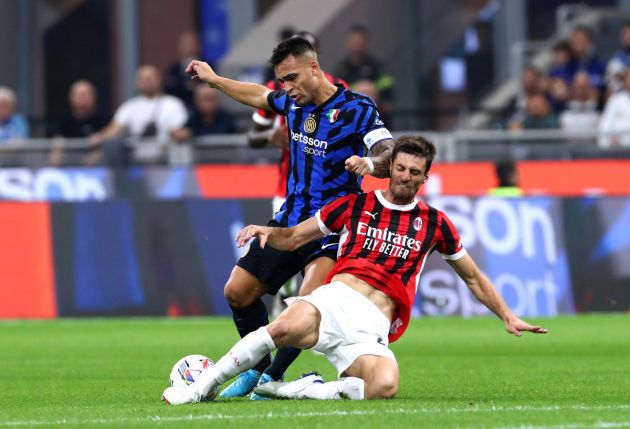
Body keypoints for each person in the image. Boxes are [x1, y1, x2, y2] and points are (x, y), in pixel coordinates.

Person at [162, 136, 547, 404]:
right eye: (401, 168)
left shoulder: (436, 223)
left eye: (415, 172)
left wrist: (508, 316)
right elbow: (297, 236)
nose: (405, 177)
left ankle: (288, 389)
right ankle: (200, 390)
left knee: (384, 386)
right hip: (335, 301)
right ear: (390, 167)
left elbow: (473, 277)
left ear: (425, 178)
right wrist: (269, 232)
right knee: (280, 328)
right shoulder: (355, 204)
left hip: (372, 327)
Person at [185, 36, 395, 399]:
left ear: (315, 68)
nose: (287, 88)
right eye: (282, 80)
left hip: (332, 227)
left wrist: (371, 164)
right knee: (237, 292)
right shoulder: (293, 104)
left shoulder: (357, 108)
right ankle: (259, 368)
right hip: (289, 221)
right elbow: (258, 95)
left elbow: (387, 150)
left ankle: (267, 378)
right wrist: (215, 80)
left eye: (292, 78)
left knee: (308, 300)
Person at [247, 31, 349, 320]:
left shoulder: (341, 92)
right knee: (285, 262)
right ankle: (288, 313)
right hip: (288, 192)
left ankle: (304, 319)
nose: (289, 83)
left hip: (328, 198)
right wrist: (271, 135)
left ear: (313, 59)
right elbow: (251, 137)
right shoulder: (280, 89)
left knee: (315, 269)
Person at [89, 65, 188, 166]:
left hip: (166, 163)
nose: (146, 81)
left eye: (149, 78)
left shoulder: (173, 104)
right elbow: (115, 128)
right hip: (137, 164)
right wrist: (100, 136)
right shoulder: (129, 106)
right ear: (137, 82)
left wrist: (177, 135)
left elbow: (181, 130)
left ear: (158, 80)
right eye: (143, 79)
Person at [49, 80, 109, 165]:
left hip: (98, 172)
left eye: (87, 95)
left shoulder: (104, 122)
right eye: (80, 95)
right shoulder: (64, 124)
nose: (83, 99)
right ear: (71, 98)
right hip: (69, 170)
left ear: (94, 97)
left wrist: (102, 137)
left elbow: (110, 141)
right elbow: (57, 150)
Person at [170, 85, 237, 143]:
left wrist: (192, 134)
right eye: (205, 99)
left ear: (218, 100)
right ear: (196, 101)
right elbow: (185, 130)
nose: (208, 104)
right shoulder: (194, 116)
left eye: (211, 99)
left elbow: (221, 132)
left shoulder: (227, 118)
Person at [164, 31, 205, 110]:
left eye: (191, 43)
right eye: (185, 44)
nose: (188, 46)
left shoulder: (207, 65)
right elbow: (169, 88)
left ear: (198, 45)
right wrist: (188, 87)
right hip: (178, 107)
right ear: (179, 47)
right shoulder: (173, 69)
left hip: (200, 109)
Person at [598, 69, 630, 148]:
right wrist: (608, 141)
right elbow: (605, 125)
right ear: (624, 82)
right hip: (618, 150)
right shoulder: (615, 100)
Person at [0, 86, 29, 166]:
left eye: (6, 106)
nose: (2, 109)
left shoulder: (18, 121)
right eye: (0, 106)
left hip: (15, 165)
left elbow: (18, 144)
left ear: (12, 107)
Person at [605, 21, 630, 94]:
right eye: (625, 33)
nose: (628, 36)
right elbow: (612, 81)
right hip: (620, 95)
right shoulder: (616, 57)